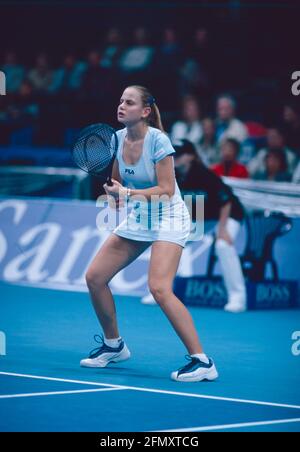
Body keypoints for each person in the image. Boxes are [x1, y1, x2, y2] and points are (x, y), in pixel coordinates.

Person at [80, 85, 218, 383]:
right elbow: (117, 180)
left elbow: (167, 191)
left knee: (159, 288)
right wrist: (115, 193)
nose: (121, 106)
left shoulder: (159, 141)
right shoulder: (116, 139)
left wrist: (126, 193)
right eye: (120, 101)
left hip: (169, 216)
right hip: (141, 216)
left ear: (144, 111)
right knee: (95, 277)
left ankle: (202, 361)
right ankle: (114, 345)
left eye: (129, 102)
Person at [142, 139, 247, 313]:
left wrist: (222, 230)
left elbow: (226, 200)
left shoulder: (205, 175)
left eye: (180, 154)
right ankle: (160, 291)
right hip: (202, 217)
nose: (175, 158)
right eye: (173, 154)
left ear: (191, 156)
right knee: (168, 241)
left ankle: (238, 298)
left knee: (222, 245)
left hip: (228, 214)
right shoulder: (172, 174)